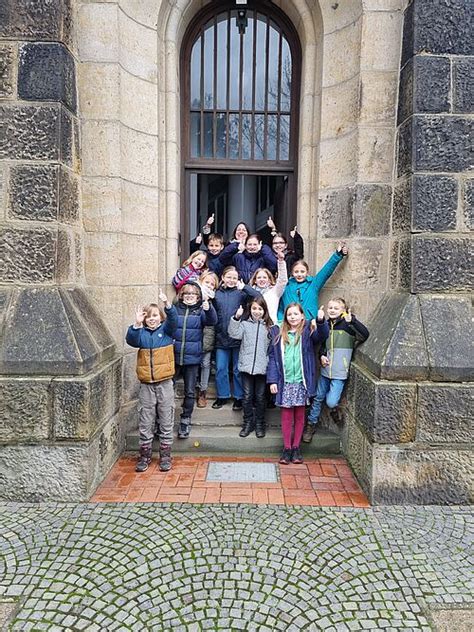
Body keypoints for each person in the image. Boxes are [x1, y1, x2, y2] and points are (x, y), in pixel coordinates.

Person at [267, 302, 329, 465]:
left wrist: (321, 321)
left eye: (296, 314)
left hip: (302, 381)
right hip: (285, 382)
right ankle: (286, 448)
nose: (293, 317)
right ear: (286, 317)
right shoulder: (279, 333)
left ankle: (296, 448)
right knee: (287, 416)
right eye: (290, 314)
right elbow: (273, 359)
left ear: (302, 316)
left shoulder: (308, 332)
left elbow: (322, 336)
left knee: (300, 415)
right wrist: (272, 380)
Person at [303, 297, 369, 443]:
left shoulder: (347, 325)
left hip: (340, 372)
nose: (332, 310)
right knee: (318, 396)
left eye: (336, 308)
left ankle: (334, 409)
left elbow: (365, 334)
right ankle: (311, 424)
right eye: (330, 308)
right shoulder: (325, 325)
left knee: (331, 401)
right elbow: (323, 346)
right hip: (326, 371)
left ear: (343, 311)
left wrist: (353, 322)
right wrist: (321, 356)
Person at [125, 290, 177, 473]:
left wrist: (167, 305)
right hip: (147, 384)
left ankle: (165, 454)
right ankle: (145, 454)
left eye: (155, 316)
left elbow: (174, 320)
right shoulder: (142, 334)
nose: (152, 319)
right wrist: (136, 324)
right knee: (146, 419)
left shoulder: (167, 331)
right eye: (149, 317)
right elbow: (131, 339)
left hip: (165, 383)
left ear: (161, 318)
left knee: (166, 417)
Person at [174, 282, 217, 439]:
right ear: (182, 296)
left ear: (198, 297)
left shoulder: (200, 311)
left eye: (193, 294)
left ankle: (185, 419)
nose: (189, 297)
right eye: (187, 294)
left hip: (192, 357)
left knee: (190, 391)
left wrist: (207, 306)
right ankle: (161, 419)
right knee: (166, 389)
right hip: (174, 355)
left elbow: (212, 320)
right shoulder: (176, 309)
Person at [212, 266, 260, 410]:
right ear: (223, 278)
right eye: (229, 277)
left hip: (238, 338)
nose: (231, 280)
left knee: (238, 369)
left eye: (234, 277)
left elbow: (258, 296)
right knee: (221, 368)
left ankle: (239, 397)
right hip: (221, 337)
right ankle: (222, 396)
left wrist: (244, 287)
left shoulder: (242, 293)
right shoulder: (217, 294)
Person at [228, 296, 273, 438]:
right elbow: (233, 333)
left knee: (260, 397)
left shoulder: (269, 327)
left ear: (264, 310)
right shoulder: (245, 324)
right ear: (250, 309)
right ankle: (248, 422)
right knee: (247, 396)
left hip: (262, 367)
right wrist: (236, 318)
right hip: (246, 366)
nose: (257, 311)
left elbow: (273, 347)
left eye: (260, 309)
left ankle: (260, 423)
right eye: (254, 308)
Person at [277, 241, 348, 321]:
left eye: (302, 271)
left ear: (307, 272)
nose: (299, 274)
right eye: (296, 272)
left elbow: (326, 271)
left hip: (309, 323)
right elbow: (280, 308)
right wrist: (280, 322)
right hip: (290, 323)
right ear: (292, 273)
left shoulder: (313, 284)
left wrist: (338, 255)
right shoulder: (286, 287)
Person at [196, 271, 220, 408]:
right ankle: (192, 388)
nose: (210, 286)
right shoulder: (192, 292)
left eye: (212, 284)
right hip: (192, 335)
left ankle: (203, 391)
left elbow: (214, 319)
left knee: (205, 364)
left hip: (207, 334)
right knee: (192, 364)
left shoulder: (212, 299)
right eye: (207, 282)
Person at [250, 250, 288, 324]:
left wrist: (281, 262)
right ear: (255, 280)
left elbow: (283, 280)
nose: (262, 279)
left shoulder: (274, 292)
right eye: (259, 277)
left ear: (269, 280)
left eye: (264, 277)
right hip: (253, 326)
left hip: (270, 326)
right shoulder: (250, 292)